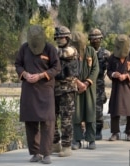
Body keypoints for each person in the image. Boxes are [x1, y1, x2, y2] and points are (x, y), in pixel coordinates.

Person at [15, 25, 61, 164]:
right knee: (30, 122)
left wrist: (41, 75)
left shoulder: (50, 49)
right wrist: (25, 74)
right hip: (29, 90)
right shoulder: (24, 49)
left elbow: (56, 67)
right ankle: (35, 153)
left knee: (47, 122)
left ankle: (46, 153)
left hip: (45, 90)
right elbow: (18, 64)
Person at [107, 34, 130, 141]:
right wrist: (114, 74)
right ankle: (115, 132)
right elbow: (108, 71)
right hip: (117, 87)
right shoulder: (112, 57)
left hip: (129, 86)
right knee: (115, 109)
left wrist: (128, 75)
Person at [52, 26, 79, 157]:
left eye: (61, 37)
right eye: (57, 37)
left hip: (67, 91)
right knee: (51, 118)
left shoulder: (71, 50)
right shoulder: (55, 50)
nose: (58, 39)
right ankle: (55, 143)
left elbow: (61, 54)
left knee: (66, 119)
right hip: (53, 90)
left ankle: (67, 146)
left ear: (67, 38)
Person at [70, 31, 99, 150]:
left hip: (89, 88)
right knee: (76, 114)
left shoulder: (91, 51)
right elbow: (67, 70)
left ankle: (91, 139)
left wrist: (86, 83)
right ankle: (77, 140)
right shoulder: (70, 53)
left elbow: (96, 69)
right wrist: (77, 82)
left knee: (90, 113)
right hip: (75, 87)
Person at [88, 28, 110, 140]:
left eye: (97, 39)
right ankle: (87, 131)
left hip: (99, 84)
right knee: (87, 108)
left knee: (98, 110)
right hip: (87, 84)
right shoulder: (86, 51)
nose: (95, 41)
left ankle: (98, 131)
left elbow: (110, 68)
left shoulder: (105, 53)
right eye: (93, 39)